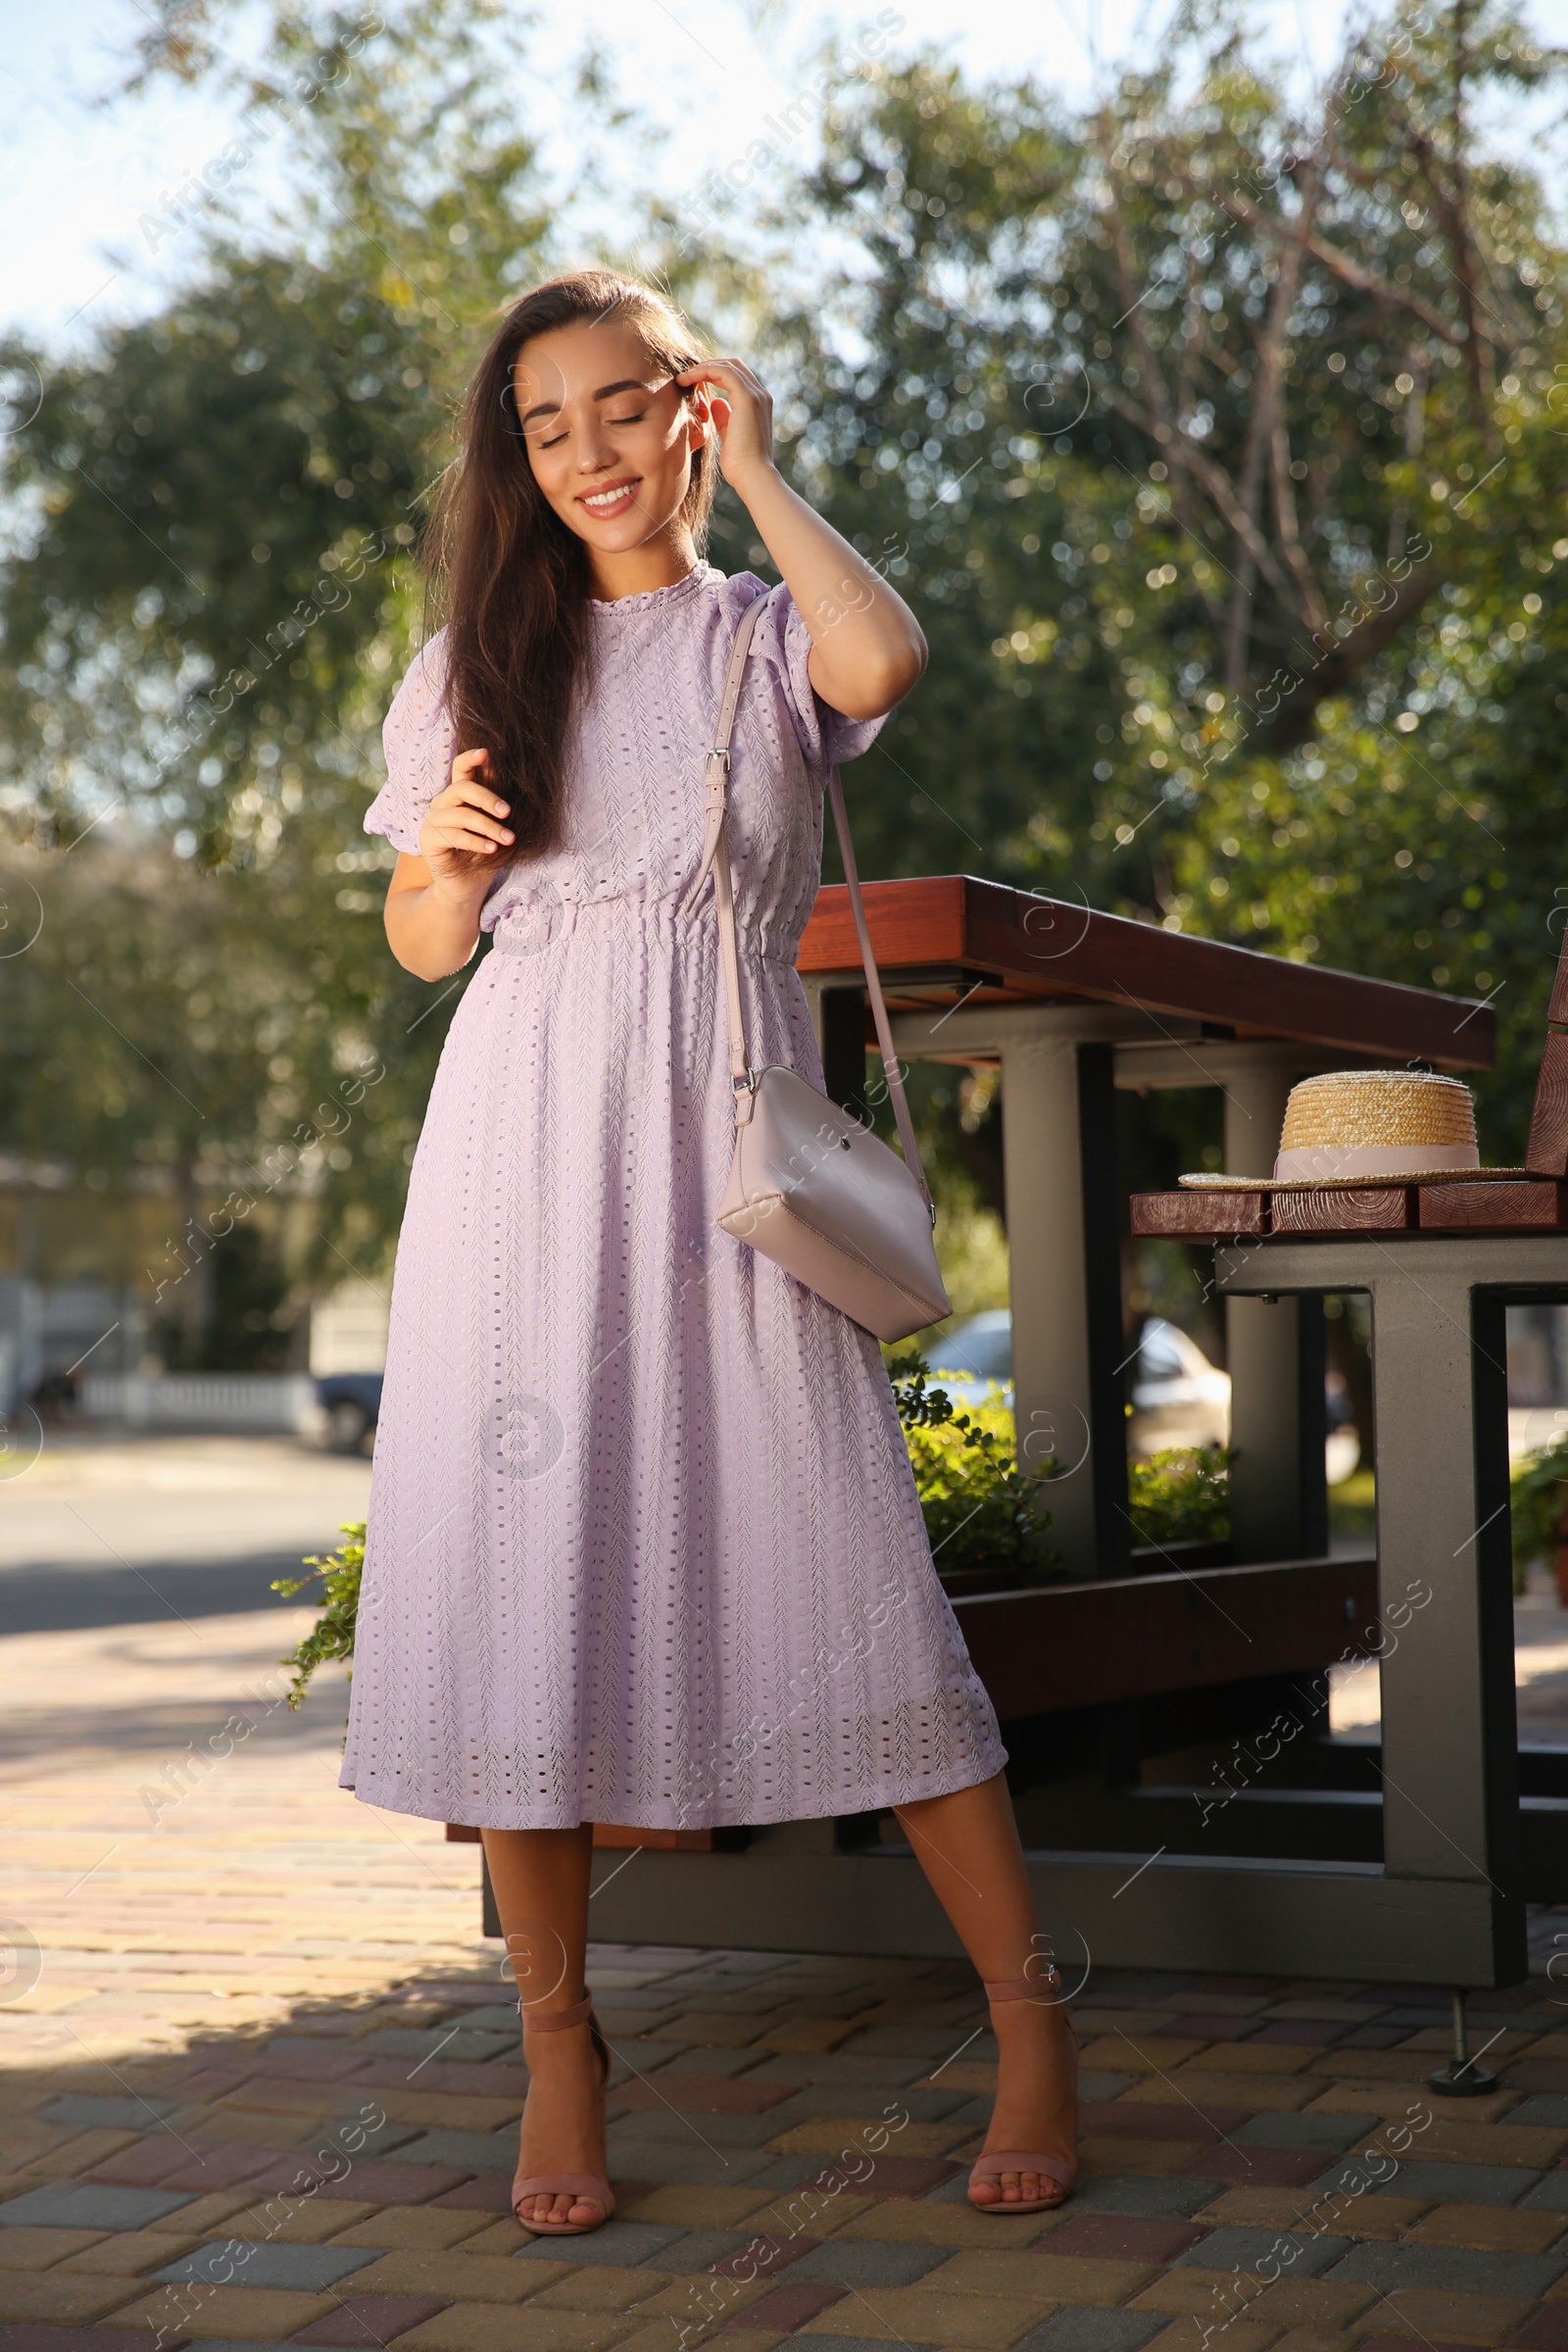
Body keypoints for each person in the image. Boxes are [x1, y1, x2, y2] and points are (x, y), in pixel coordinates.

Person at [345, 269, 1078, 2235]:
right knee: (524, 1581)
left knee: (842, 1555)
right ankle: (561, 2044)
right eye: (539, 425)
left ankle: (1025, 2016)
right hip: (518, 1149)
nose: (578, 451)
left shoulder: (760, 636)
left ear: (683, 404)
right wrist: (443, 865)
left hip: (730, 1135)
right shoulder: (468, 665)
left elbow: (884, 657)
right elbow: (423, 944)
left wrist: (755, 471)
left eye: (616, 406)